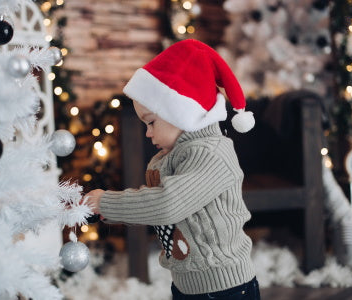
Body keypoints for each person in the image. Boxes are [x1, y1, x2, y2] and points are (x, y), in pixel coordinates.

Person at [85, 39, 260, 300]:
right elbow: (155, 208)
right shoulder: (169, 157)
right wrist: (103, 210)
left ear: (179, 111)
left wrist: (106, 202)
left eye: (151, 122)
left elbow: (168, 204)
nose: (148, 133)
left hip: (225, 288)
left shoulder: (212, 153)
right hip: (187, 285)